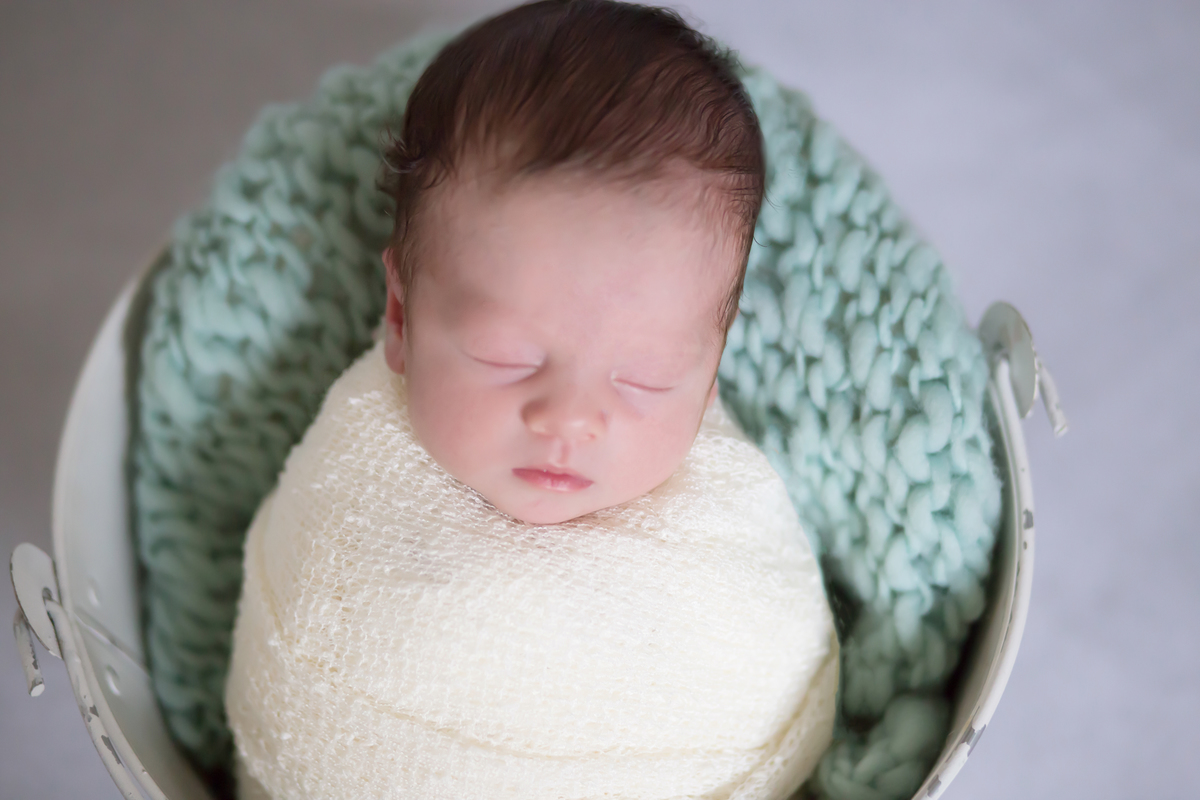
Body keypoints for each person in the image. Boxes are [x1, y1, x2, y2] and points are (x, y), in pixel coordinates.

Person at [225, 2, 838, 798]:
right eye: (505, 356)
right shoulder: (356, 477)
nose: (569, 418)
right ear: (402, 318)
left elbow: (773, 677)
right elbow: (294, 664)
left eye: (645, 377)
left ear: (711, 369)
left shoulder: (724, 521)